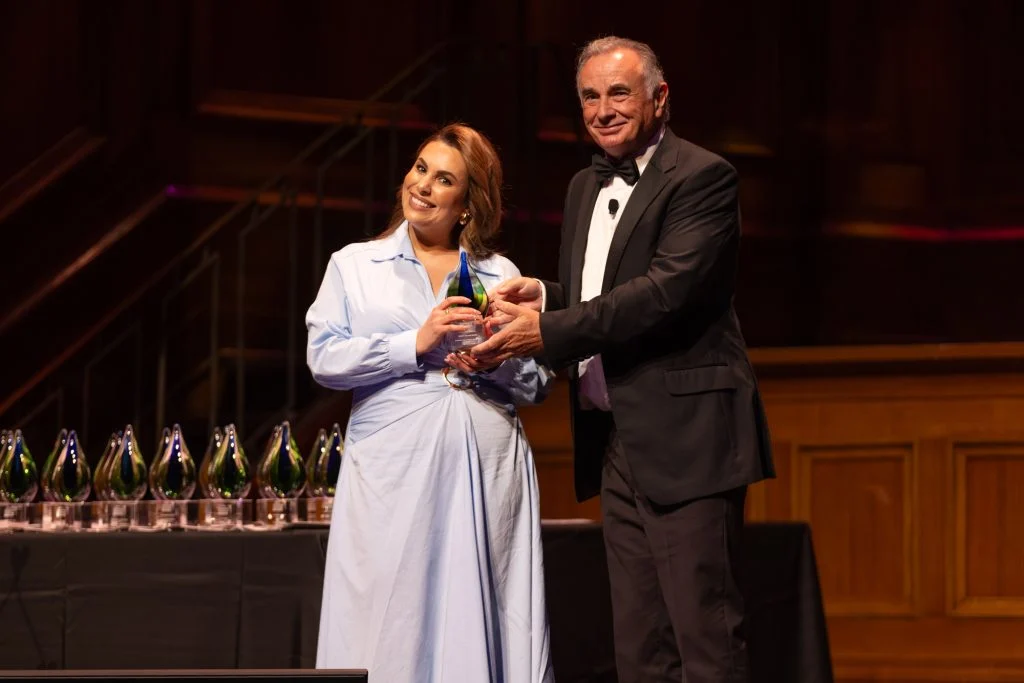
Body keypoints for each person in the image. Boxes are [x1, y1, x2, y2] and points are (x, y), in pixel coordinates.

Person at [472, 37, 775, 683]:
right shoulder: (585, 184)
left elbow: (663, 292)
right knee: (639, 645)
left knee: (707, 636)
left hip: (688, 436)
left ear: (659, 97)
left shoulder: (703, 176)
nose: (603, 109)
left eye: (618, 93)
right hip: (616, 437)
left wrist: (549, 329)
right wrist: (546, 295)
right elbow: (603, 294)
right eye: (589, 96)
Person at [307, 123, 554, 683]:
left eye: (444, 179)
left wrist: (497, 360)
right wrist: (412, 345)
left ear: (467, 205)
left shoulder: (501, 274)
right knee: (387, 611)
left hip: (486, 465)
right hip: (391, 469)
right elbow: (323, 358)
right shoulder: (354, 265)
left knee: (487, 603)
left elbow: (538, 383)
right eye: (420, 168)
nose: (422, 185)